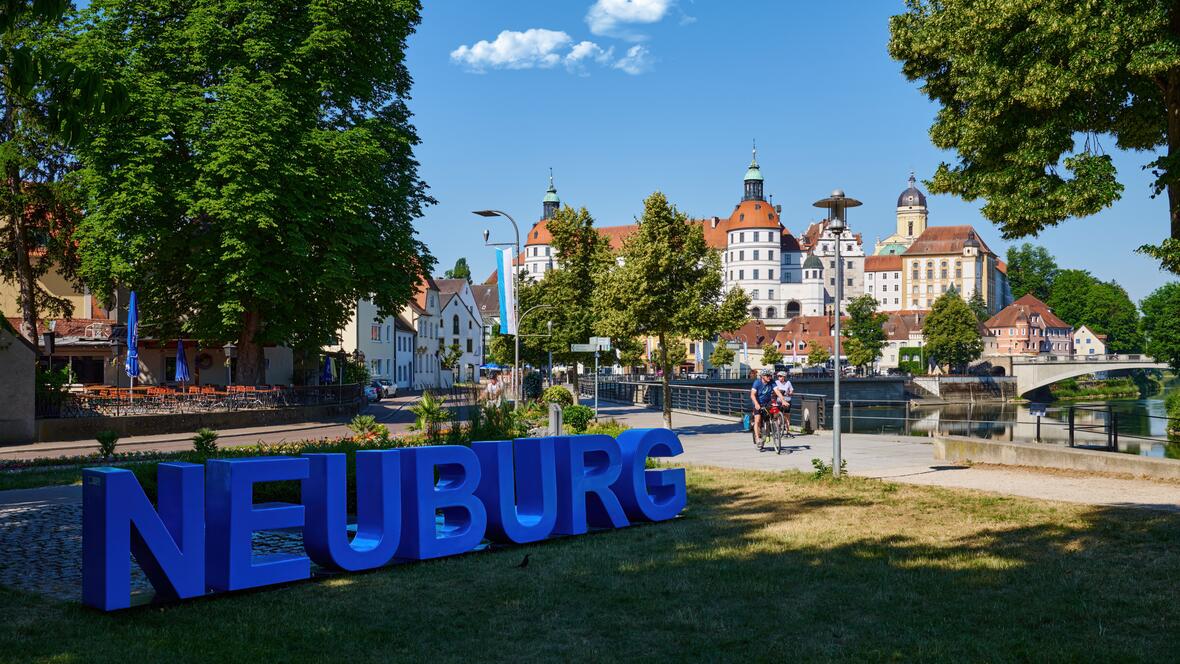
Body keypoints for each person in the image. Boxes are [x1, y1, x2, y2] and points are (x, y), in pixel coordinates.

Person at [749, 369, 776, 447]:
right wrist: (756, 404)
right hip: (757, 403)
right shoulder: (757, 382)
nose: (769, 377)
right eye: (767, 376)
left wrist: (783, 400)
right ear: (762, 376)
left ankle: (775, 429)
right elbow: (752, 395)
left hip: (767, 402)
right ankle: (757, 438)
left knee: (773, 414)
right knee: (757, 420)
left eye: (770, 376)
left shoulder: (772, 382)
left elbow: (777, 391)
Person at [773, 370, 795, 438]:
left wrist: (790, 393)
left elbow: (792, 390)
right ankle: (778, 431)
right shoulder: (776, 382)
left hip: (787, 400)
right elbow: (774, 390)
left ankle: (788, 431)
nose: (779, 378)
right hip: (778, 401)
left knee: (787, 416)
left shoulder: (788, 383)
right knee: (777, 415)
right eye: (778, 376)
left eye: (781, 376)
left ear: (784, 377)